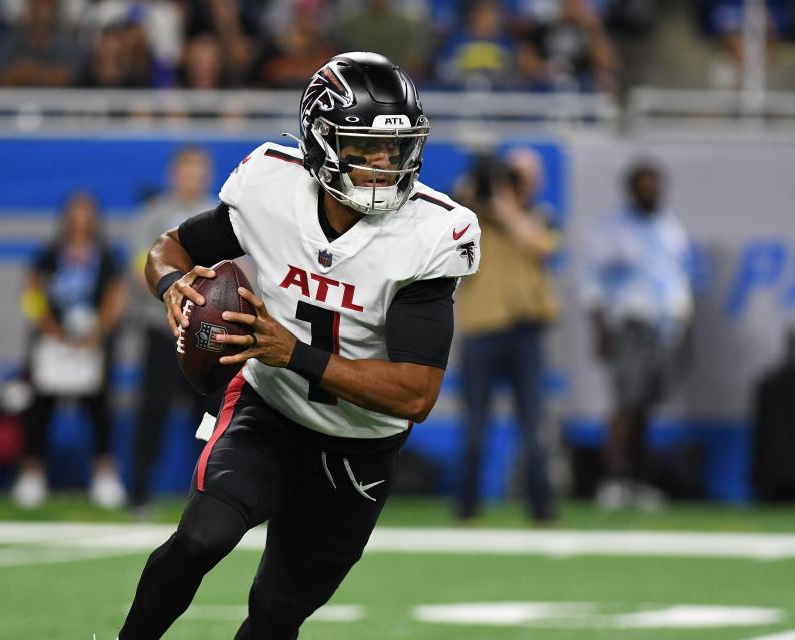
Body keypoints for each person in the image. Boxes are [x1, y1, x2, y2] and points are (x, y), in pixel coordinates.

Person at [119, 52, 481, 639]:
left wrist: (292, 352)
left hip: (358, 448)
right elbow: (171, 247)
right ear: (322, 144)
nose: (384, 165)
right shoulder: (271, 187)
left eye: (397, 149)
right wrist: (171, 286)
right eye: (366, 148)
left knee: (276, 612)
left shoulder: (432, 233)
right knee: (198, 540)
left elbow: (417, 394)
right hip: (268, 411)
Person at [453, 148, 560, 524]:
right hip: (481, 331)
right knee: (475, 428)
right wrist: (477, 191)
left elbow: (542, 246)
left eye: (523, 176)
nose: (518, 182)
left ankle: (542, 511)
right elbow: (451, 233)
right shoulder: (473, 216)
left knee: (533, 428)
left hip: (525, 332)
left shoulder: (540, 215)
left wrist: (505, 205)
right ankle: (466, 511)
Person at [583, 159, 693, 511]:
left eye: (656, 186)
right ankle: (613, 479)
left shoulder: (669, 227)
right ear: (631, 190)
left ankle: (639, 480)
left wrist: (686, 330)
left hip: (664, 329)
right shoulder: (613, 229)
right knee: (626, 405)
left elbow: (679, 281)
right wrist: (600, 330)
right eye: (645, 186)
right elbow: (594, 283)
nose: (652, 192)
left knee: (645, 406)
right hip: (630, 327)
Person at [13, 191, 128, 509]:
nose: (80, 219)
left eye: (86, 212)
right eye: (75, 212)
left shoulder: (106, 256)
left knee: (99, 409)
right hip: (52, 343)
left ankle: (104, 475)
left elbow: (117, 294)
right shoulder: (48, 255)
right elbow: (31, 292)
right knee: (40, 407)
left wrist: (99, 330)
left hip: (93, 344)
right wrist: (50, 328)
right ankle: (32, 474)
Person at [128, 147, 222, 514]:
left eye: (199, 170)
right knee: (154, 410)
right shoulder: (153, 216)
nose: (192, 177)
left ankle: (211, 490)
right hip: (162, 330)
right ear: (174, 174)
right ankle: (139, 491)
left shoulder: (221, 215)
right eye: (187, 170)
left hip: (208, 335)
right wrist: (174, 295)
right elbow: (141, 266)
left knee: (209, 416)